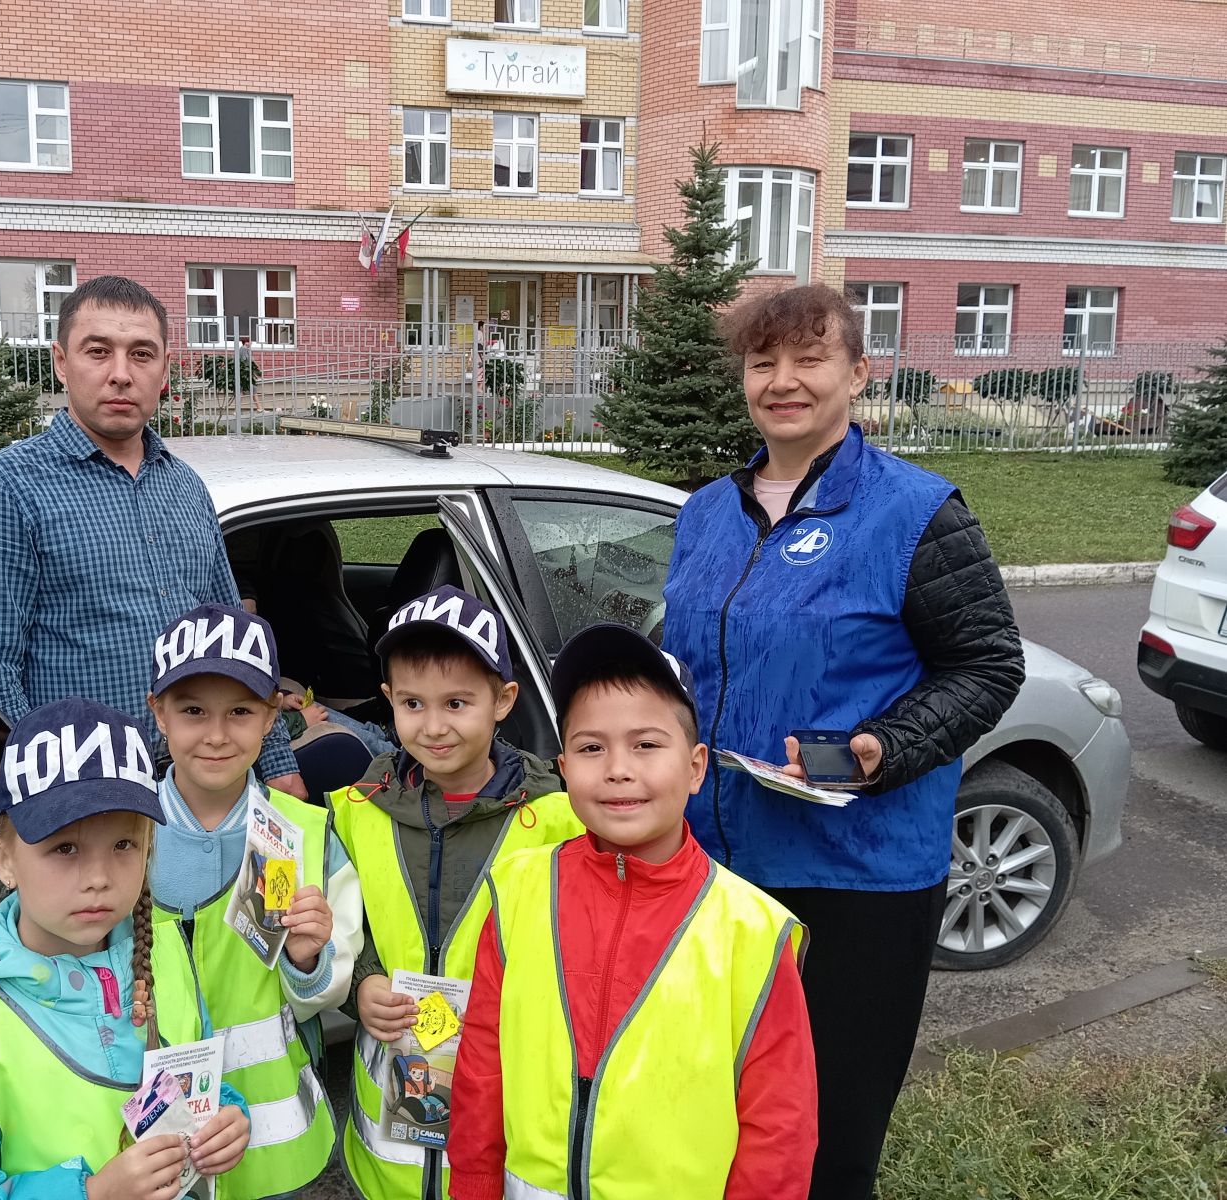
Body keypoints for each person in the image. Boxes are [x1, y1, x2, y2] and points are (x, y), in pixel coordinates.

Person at [661, 284, 1025, 1200]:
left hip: (858, 881)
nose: (782, 381)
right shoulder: (705, 514)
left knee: (828, 1130)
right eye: (763, 362)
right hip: (714, 868)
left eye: (809, 359)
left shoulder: (916, 511)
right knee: (715, 1112)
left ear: (858, 373)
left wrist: (882, 748)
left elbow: (987, 666)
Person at [448, 623, 816, 1200]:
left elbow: (781, 1122)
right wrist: (473, 1184)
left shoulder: (752, 930)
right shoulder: (518, 889)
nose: (618, 768)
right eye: (591, 748)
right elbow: (481, 1059)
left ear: (695, 767)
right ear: (563, 767)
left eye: (646, 744)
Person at [0, 698, 252, 1200]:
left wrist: (225, 1116)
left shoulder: (166, 955)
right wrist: (90, 1193)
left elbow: (196, 1080)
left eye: (123, 845)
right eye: (65, 848)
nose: (98, 878)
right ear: (4, 861)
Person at [0, 274, 305, 798]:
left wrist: (275, 763)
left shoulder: (185, 485)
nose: (121, 374)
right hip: (85, 793)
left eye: (141, 354)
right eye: (98, 352)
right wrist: (47, 796)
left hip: (198, 786)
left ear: (164, 368)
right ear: (61, 361)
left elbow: (234, 638)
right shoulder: (6, 486)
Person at [327, 585, 583, 1200]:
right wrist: (361, 984)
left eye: (457, 703)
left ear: (503, 701)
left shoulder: (558, 820)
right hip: (387, 1149)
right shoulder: (358, 811)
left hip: (501, 1109)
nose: (434, 726)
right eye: (413, 703)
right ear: (388, 698)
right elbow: (341, 926)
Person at [144, 603, 364, 1199]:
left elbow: (329, 992)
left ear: (272, 717)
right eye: (193, 711)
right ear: (158, 712)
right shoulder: (121, 836)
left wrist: (308, 958)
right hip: (154, 1144)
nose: (217, 735)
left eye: (240, 711)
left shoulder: (304, 835)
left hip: (277, 1148)